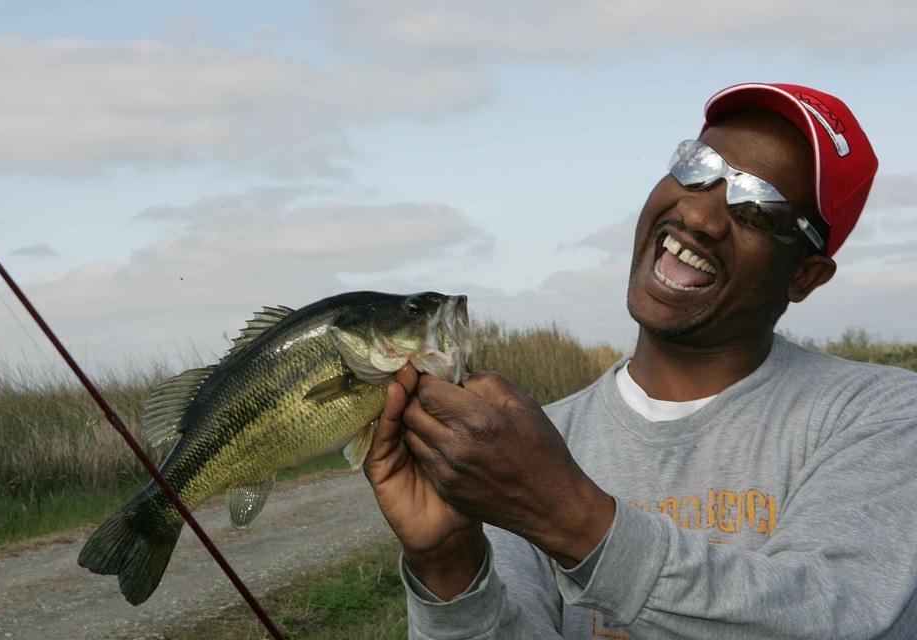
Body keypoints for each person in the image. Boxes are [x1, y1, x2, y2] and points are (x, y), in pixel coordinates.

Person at [363, 82, 917, 639]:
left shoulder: (881, 416)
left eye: (760, 207)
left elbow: (843, 617)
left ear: (804, 276)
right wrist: (450, 565)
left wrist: (566, 515)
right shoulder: (529, 441)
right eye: (699, 165)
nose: (700, 214)